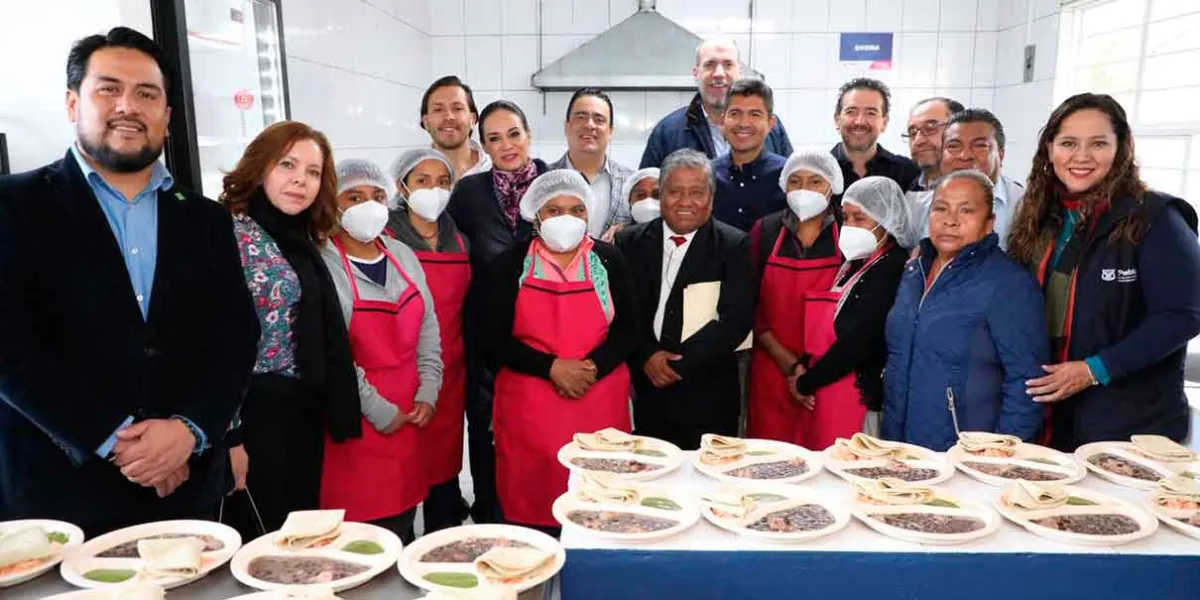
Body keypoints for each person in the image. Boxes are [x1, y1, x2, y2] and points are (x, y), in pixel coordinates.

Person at [0, 27, 258, 535]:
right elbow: (10, 348)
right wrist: (118, 442)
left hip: (185, 487)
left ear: (166, 114)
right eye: (108, 88)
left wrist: (190, 431)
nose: (128, 105)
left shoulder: (204, 218)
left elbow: (234, 336)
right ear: (73, 103)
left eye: (146, 93)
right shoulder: (15, 206)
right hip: (57, 494)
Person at [1007, 93, 1200, 450]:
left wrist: (1095, 369)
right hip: (1049, 414)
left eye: (1098, 143)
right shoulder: (1038, 217)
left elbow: (1183, 315)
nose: (1081, 157)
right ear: (1049, 149)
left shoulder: (1155, 218)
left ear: (1121, 149)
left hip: (1130, 425)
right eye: (1068, 143)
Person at [219, 121, 363, 538]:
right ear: (260, 166)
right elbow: (214, 346)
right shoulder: (232, 233)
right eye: (287, 164)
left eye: (313, 172)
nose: (300, 179)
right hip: (251, 411)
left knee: (299, 535)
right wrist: (231, 438)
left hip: (299, 409)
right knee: (262, 539)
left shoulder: (301, 237)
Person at [483, 170, 637, 532]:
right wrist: (550, 367)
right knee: (533, 508)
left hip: (599, 400)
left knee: (599, 506)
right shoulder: (509, 265)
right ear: (535, 215)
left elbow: (629, 328)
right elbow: (490, 337)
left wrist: (593, 367)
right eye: (554, 210)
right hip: (531, 407)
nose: (566, 219)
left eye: (576, 210)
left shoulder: (610, 261)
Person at [320, 159, 443, 544]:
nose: (367, 205)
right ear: (332, 205)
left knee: (403, 524)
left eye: (376, 196)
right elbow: (332, 351)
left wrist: (429, 388)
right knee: (361, 541)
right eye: (354, 197)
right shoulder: (323, 260)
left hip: (410, 415)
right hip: (356, 422)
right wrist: (377, 409)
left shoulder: (401, 254)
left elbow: (428, 325)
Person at [883, 171, 1048, 451]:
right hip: (901, 445)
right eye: (941, 208)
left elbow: (1028, 381)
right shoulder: (914, 271)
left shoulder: (1008, 282)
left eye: (966, 210)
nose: (950, 220)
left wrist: (1002, 450)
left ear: (989, 223)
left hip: (967, 451)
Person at [447, 100, 548, 524]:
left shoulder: (556, 182)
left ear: (528, 134)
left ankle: (541, 512)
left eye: (513, 134)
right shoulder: (469, 193)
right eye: (493, 138)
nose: (506, 145)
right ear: (483, 144)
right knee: (485, 426)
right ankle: (490, 514)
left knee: (538, 427)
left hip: (546, 328)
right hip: (486, 330)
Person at [616, 149, 756, 450]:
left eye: (697, 192)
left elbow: (735, 321)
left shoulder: (734, 245)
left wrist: (676, 366)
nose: (685, 202)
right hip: (646, 390)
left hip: (708, 395)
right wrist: (647, 357)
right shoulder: (631, 242)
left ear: (711, 197)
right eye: (675, 191)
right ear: (661, 194)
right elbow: (625, 310)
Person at [790, 177, 916, 446]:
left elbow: (860, 341)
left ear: (888, 221)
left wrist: (805, 382)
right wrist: (803, 362)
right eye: (846, 218)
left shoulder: (891, 269)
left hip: (852, 392)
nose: (849, 227)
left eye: (860, 219)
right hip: (824, 383)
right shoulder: (854, 263)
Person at [386, 148, 472, 533]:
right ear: (401, 186)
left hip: (451, 371)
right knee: (398, 471)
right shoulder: (383, 236)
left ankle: (442, 545)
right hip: (397, 370)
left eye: (442, 182)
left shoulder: (461, 240)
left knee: (443, 468)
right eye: (422, 181)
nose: (433, 190)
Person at [746, 150, 844, 445]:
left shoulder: (849, 233)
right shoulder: (764, 231)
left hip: (830, 371)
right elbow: (750, 305)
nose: (804, 189)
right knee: (769, 459)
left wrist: (813, 374)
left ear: (833, 186)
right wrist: (791, 365)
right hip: (771, 368)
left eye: (815, 181)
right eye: (795, 181)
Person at [640, 39, 792, 169]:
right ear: (696, 73)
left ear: (739, 72)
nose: (719, 73)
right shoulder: (667, 132)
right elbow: (647, 192)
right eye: (710, 64)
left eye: (728, 64)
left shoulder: (771, 127)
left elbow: (791, 181)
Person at [914, 108, 1025, 250]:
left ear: (1001, 155)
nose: (964, 155)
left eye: (980, 146)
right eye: (953, 146)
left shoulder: (1026, 206)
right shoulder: (918, 207)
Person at [547, 88, 634, 240]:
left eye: (599, 119)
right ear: (566, 127)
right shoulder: (543, 179)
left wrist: (630, 230)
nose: (590, 125)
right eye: (581, 117)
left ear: (610, 131)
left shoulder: (632, 183)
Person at [712, 78, 788, 232]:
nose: (744, 123)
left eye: (755, 114)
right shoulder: (705, 175)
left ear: (770, 123)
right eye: (735, 113)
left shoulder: (789, 176)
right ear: (722, 121)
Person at [831, 78, 921, 191]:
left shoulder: (908, 172)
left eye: (871, 113)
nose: (860, 121)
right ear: (837, 120)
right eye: (851, 112)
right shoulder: (816, 172)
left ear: (884, 122)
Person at [421, 75, 491, 181]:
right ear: (426, 122)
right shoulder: (411, 177)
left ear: (473, 119)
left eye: (457, 108)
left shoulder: (498, 171)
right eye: (438, 109)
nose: (448, 117)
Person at [904, 97, 963, 191]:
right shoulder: (907, 186)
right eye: (913, 132)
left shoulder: (977, 187)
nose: (918, 141)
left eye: (931, 128)